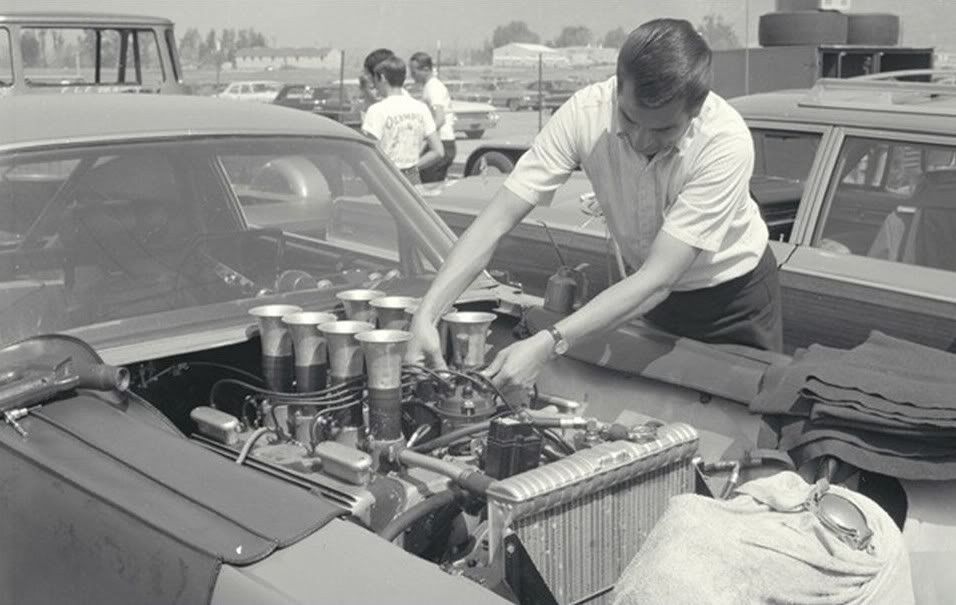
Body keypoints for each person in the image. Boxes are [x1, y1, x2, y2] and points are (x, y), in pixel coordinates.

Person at [406, 18, 783, 390]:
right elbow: (497, 219)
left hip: (733, 305)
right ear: (619, 89)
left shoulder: (725, 142)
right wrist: (427, 313)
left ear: (696, 110)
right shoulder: (584, 112)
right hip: (646, 298)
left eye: (664, 130)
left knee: (743, 425)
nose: (641, 140)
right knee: (655, 409)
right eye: (629, 119)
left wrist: (548, 343)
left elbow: (660, 278)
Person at [361, 55, 444, 185]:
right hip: (413, 177)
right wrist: (414, 167)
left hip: (385, 176)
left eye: (375, 81)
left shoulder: (376, 110)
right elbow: (438, 151)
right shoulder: (420, 108)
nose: (375, 86)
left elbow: (368, 153)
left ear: (382, 78)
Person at [409, 52, 457, 183]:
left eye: (414, 71)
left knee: (428, 184)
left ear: (425, 69)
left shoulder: (433, 87)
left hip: (442, 142)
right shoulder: (430, 86)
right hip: (441, 142)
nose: (411, 75)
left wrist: (423, 135)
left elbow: (440, 118)